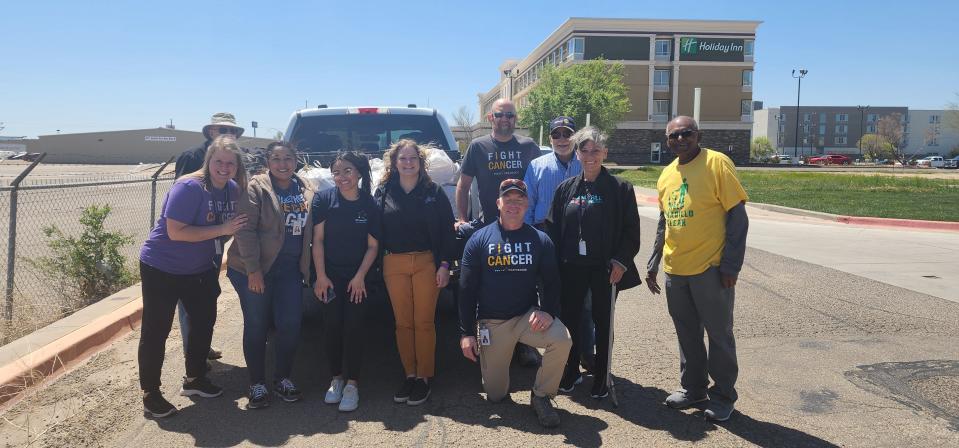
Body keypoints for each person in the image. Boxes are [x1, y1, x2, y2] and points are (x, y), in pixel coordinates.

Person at [645, 116, 749, 422]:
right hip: (676, 269)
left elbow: (738, 217)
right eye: (673, 136)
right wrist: (653, 263)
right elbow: (664, 222)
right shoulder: (666, 175)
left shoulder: (717, 163)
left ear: (698, 134)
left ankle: (723, 396)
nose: (679, 139)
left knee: (719, 335)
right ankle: (693, 389)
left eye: (685, 133)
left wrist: (730, 265)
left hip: (711, 269)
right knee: (687, 334)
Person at [137, 136, 248, 418]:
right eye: (218, 161)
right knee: (156, 330)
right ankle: (151, 393)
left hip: (199, 269)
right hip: (162, 267)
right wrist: (223, 228)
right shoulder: (189, 186)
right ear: (208, 160)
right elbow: (177, 232)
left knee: (203, 323)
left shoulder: (232, 189)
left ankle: (195, 379)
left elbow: (231, 226)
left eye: (230, 163)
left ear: (237, 167)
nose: (224, 168)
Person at [458, 179, 572, 428]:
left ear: (527, 204)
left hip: (525, 317)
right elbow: (466, 290)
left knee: (562, 339)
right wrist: (467, 333)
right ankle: (501, 370)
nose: (513, 204)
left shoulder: (540, 240)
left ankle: (541, 396)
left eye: (519, 200)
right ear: (497, 203)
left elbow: (552, 282)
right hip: (492, 322)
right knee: (496, 395)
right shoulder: (479, 240)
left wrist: (548, 312)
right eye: (508, 199)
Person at [547, 126, 641, 399]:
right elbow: (553, 228)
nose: (590, 156)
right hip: (572, 268)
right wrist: (552, 265)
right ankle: (571, 370)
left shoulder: (621, 188)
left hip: (605, 269)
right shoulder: (566, 189)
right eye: (584, 150)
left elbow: (630, 231)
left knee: (602, 321)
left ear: (605, 153)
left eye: (595, 151)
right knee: (571, 321)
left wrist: (621, 262)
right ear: (577, 154)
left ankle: (602, 374)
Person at [226, 141, 313, 409]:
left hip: (289, 270)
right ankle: (257, 384)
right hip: (254, 269)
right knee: (257, 325)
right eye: (276, 159)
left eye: (288, 158)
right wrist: (254, 270)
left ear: (296, 160)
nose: (283, 164)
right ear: (268, 162)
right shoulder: (256, 188)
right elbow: (245, 230)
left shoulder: (306, 188)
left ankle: (282, 378)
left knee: (290, 324)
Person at [456, 98, 542, 367]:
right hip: (489, 227)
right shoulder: (478, 147)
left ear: (515, 119)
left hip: (524, 226)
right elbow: (463, 184)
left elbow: (539, 181)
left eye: (510, 115)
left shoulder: (529, 147)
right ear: (490, 119)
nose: (505, 119)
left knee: (527, 284)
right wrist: (462, 218)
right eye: (500, 115)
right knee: (489, 285)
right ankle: (488, 340)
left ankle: (526, 344)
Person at [374, 140, 456, 406]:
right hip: (393, 264)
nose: (408, 163)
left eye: (413, 159)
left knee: (423, 322)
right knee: (402, 323)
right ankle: (409, 374)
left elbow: (447, 230)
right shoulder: (384, 191)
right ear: (394, 163)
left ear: (421, 162)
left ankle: (424, 377)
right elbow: (373, 231)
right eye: (402, 159)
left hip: (426, 262)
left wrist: (445, 265)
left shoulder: (433, 192)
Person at [311, 151, 381, 412]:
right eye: (337, 172)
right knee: (332, 326)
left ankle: (353, 384)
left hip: (358, 278)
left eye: (348, 171)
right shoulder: (323, 199)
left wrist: (361, 276)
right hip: (329, 276)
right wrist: (320, 276)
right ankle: (336, 379)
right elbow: (317, 240)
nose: (342, 177)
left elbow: (373, 246)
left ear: (360, 173)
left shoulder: (369, 204)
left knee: (354, 327)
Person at [174, 112, 245, 362]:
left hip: (215, 241)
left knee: (207, 296)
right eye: (223, 129)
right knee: (189, 302)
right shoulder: (192, 157)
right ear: (211, 131)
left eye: (233, 131)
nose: (229, 134)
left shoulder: (236, 159)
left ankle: (201, 345)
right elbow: (180, 200)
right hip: (190, 242)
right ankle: (192, 354)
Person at [523, 116, 581, 229]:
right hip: (543, 231)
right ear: (550, 139)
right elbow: (527, 204)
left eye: (567, 134)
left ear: (576, 138)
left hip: (577, 232)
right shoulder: (536, 166)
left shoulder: (586, 164)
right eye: (556, 135)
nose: (562, 139)